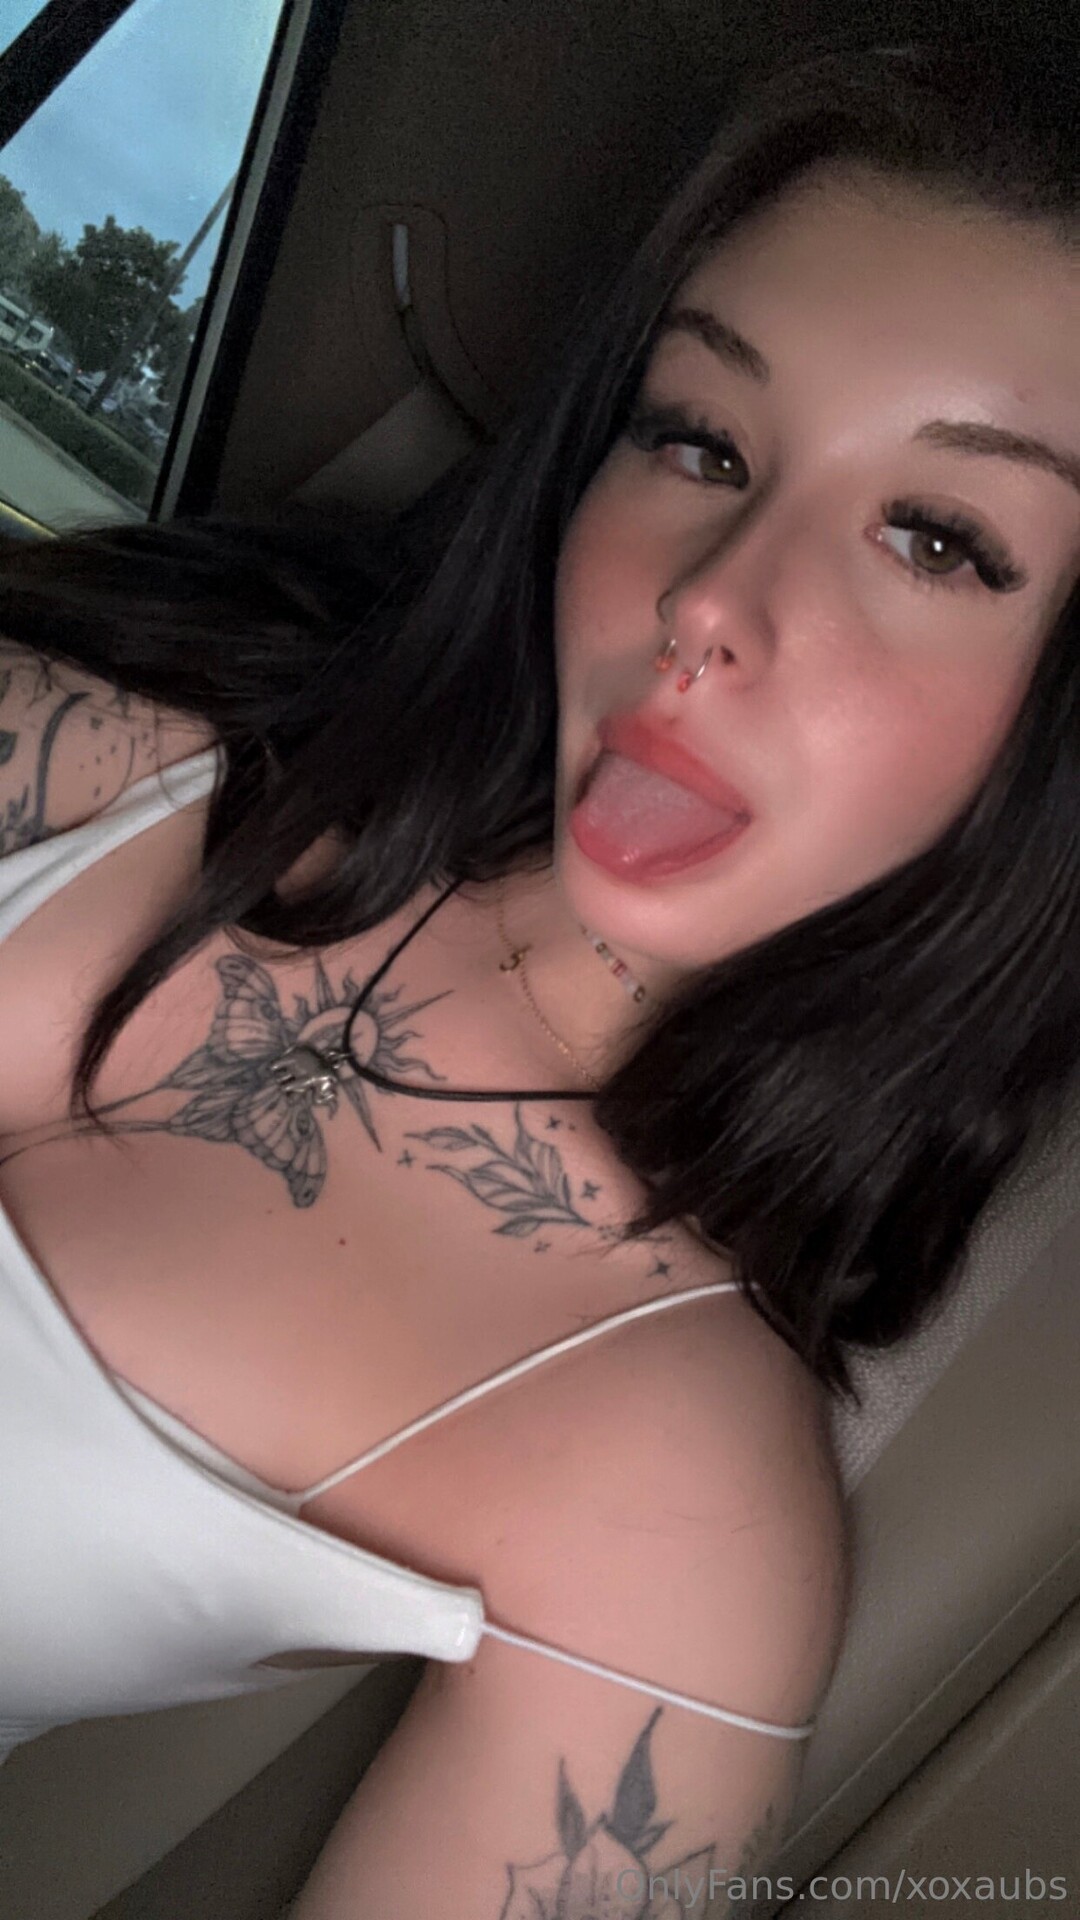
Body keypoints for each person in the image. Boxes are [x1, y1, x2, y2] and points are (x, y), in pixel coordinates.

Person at [0, 25, 1077, 1917]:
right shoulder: (124, 739)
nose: (708, 599)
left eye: (937, 539)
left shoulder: (669, 1500)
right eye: (699, 441)